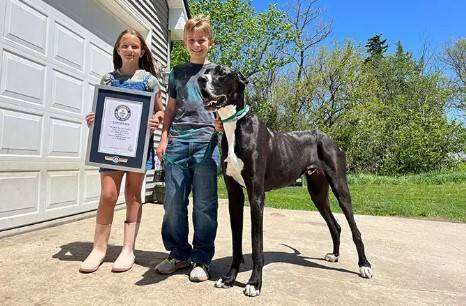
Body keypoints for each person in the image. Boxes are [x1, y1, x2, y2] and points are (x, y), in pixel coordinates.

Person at [79, 29, 164, 273]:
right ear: (117, 49)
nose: (130, 50)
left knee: (133, 195)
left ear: (142, 51)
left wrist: (156, 119)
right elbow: (102, 110)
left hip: (136, 148)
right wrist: (94, 119)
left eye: (135, 46)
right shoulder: (107, 79)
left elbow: (159, 110)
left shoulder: (148, 80)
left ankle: (128, 249)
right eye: (125, 46)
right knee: (108, 195)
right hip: (109, 147)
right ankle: (99, 248)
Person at [154, 17, 223, 282]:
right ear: (185, 42)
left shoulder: (218, 72)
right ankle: (178, 253)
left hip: (207, 143)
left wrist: (221, 123)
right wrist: (163, 139)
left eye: (201, 40)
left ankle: (202, 259)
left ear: (210, 42)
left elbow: (228, 107)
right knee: (173, 202)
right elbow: (170, 109)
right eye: (191, 40)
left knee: (204, 205)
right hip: (178, 143)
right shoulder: (177, 73)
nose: (196, 44)